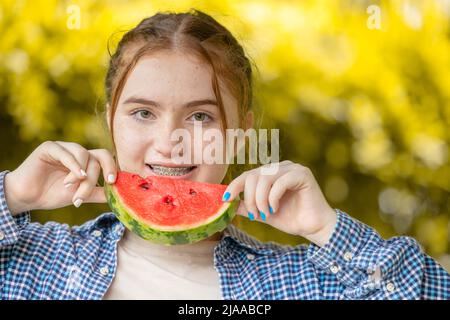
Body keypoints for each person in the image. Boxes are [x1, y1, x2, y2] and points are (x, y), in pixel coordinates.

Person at [1, 9, 449, 300]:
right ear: (110, 120)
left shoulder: (300, 281)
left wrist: (326, 229)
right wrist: (13, 196)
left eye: (200, 117)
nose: (170, 141)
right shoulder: (40, 259)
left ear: (240, 134)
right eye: (142, 113)